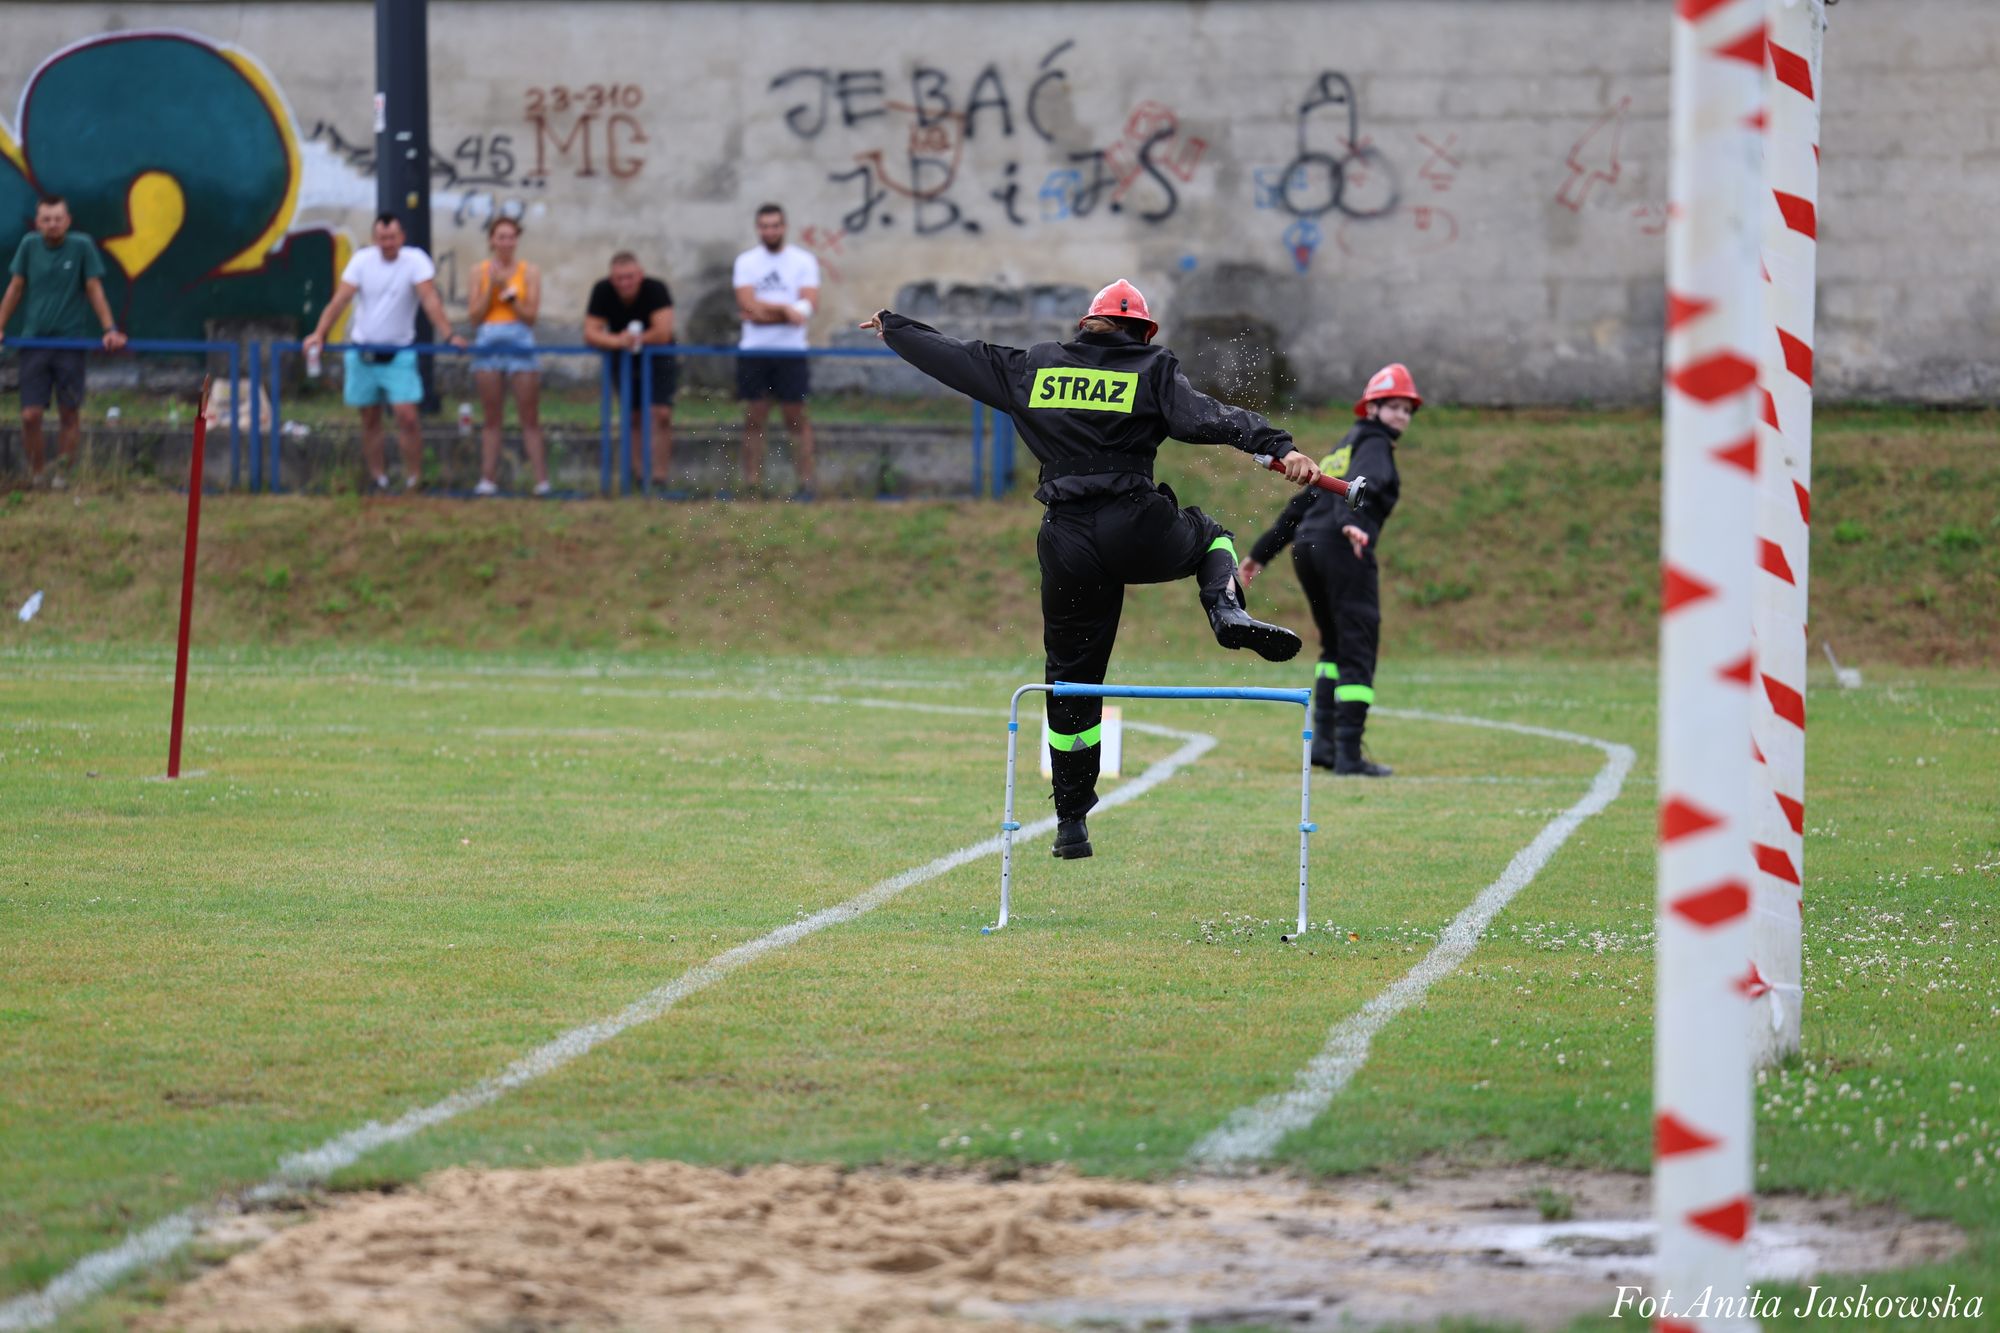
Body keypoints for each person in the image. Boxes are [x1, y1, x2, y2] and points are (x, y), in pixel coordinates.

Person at [861, 280, 1320, 859]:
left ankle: (1070, 819)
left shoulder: (1035, 367)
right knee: (1212, 536)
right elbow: (1206, 418)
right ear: (1142, 331)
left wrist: (895, 327)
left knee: (1073, 676)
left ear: (1087, 323)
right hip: (1135, 522)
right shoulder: (1152, 368)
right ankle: (1224, 608)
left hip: (1066, 538)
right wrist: (1278, 446)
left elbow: (958, 358)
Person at [1240, 363, 1415, 778]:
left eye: (1407, 410)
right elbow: (1366, 484)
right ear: (1371, 409)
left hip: (1309, 549)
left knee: (1334, 647)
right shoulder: (1373, 444)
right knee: (1358, 644)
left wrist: (1260, 554)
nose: (1401, 416)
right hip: (1341, 546)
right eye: (1392, 407)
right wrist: (1357, 524)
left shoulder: (1345, 444)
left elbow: (1301, 504)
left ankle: (1323, 744)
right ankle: (1349, 755)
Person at [302, 213, 464, 493]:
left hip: (399, 351)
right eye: (382, 238)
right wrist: (320, 333)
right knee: (370, 417)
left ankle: (414, 479)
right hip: (362, 350)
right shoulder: (362, 261)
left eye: (392, 237)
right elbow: (340, 299)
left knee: (407, 416)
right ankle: (379, 478)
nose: (387, 243)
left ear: (401, 237)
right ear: (375, 239)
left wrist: (448, 334)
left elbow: (429, 298)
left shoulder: (415, 260)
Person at [0, 196, 125, 487]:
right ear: (37, 222)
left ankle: (62, 476)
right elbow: (15, 288)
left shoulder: (81, 246)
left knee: (69, 412)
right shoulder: (29, 246)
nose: (52, 224)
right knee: (31, 415)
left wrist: (110, 329)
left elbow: (94, 288)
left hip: (70, 343)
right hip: (34, 344)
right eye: (46, 219)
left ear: (67, 220)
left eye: (57, 218)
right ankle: (38, 475)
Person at [732, 204, 819, 499]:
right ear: (758, 229)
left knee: (795, 416)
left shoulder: (803, 261)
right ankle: (752, 484)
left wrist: (763, 310)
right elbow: (747, 307)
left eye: (775, 225)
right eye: (765, 226)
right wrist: (785, 308)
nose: (770, 231)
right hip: (755, 350)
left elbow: (807, 306)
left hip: (791, 351)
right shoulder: (746, 262)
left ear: (784, 227)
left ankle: (806, 483)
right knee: (755, 416)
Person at [465, 215, 548, 496]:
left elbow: (530, 316)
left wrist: (509, 293)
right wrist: (493, 287)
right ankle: (487, 479)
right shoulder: (479, 271)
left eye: (511, 237)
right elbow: (475, 317)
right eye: (501, 237)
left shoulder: (529, 271)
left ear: (517, 240)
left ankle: (541, 481)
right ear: (492, 240)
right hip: (488, 337)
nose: (506, 242)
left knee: (529, 415)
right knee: (492, 416)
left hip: (520, 339)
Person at [583, 252, 676, 492]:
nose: (625, 283)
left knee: (661, 413)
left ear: (640, 275)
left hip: (659, 356)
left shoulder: (656, 289)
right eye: (619, 278)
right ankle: (639, 475)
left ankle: (660, 476)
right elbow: (590, 332)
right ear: (612, 279)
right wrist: (619, 342)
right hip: (623, 358)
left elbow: (663, 332)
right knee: (633, 416)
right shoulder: (602, 290)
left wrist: (635, 340)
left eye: (630, 277)